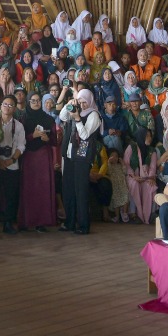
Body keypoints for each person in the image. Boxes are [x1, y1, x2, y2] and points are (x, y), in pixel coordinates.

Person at [60, 88, 102, 234]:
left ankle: (83, 225)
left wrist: (77, 119)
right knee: (68, 190)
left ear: (90, 101)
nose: (83, 105)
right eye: (81, 101)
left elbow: (84, 135)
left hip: (83, 154)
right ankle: (69, 222)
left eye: (85, 102)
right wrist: (70, 104)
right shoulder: (75, 109)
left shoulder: (94, 115)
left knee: (81, 191)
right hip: (70, 154)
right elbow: (62, 116)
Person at [18, 94, 60, 231]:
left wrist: (48, 139)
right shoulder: (23, 119)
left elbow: (55, 141)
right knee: (29, 189)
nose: (36, 103)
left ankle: (42, 222)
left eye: (38, 101)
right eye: (33, 101)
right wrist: (32, 136)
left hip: (43, 157)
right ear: (28, 102)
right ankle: (27, 221)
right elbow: (18, 140)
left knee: (43, 190)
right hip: (29, 157)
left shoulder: (48, 119)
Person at [0, 97, 26, 234]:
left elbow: (21, 145)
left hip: (12, 164)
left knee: (11, 195)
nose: (7, 107)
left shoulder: (18, 125)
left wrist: (12, 160)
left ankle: (8, 223)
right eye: (5, 104)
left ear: (14, 108)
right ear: (1, 106)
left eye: (11, 105)